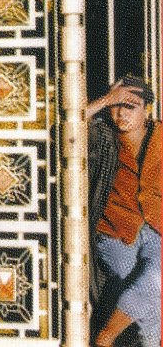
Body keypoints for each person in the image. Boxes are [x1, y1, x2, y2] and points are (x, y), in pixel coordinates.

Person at [86, 74, 161, 347]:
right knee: (136, 286)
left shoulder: (161, 138)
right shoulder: (104, 135)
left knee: (154, 279)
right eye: (116, 105)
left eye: (130, 106)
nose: (121, 113)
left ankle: (105, 338)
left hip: (157, 230)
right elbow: (66, 123)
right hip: (115, 230)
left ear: (147, 110)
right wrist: (106, 99)